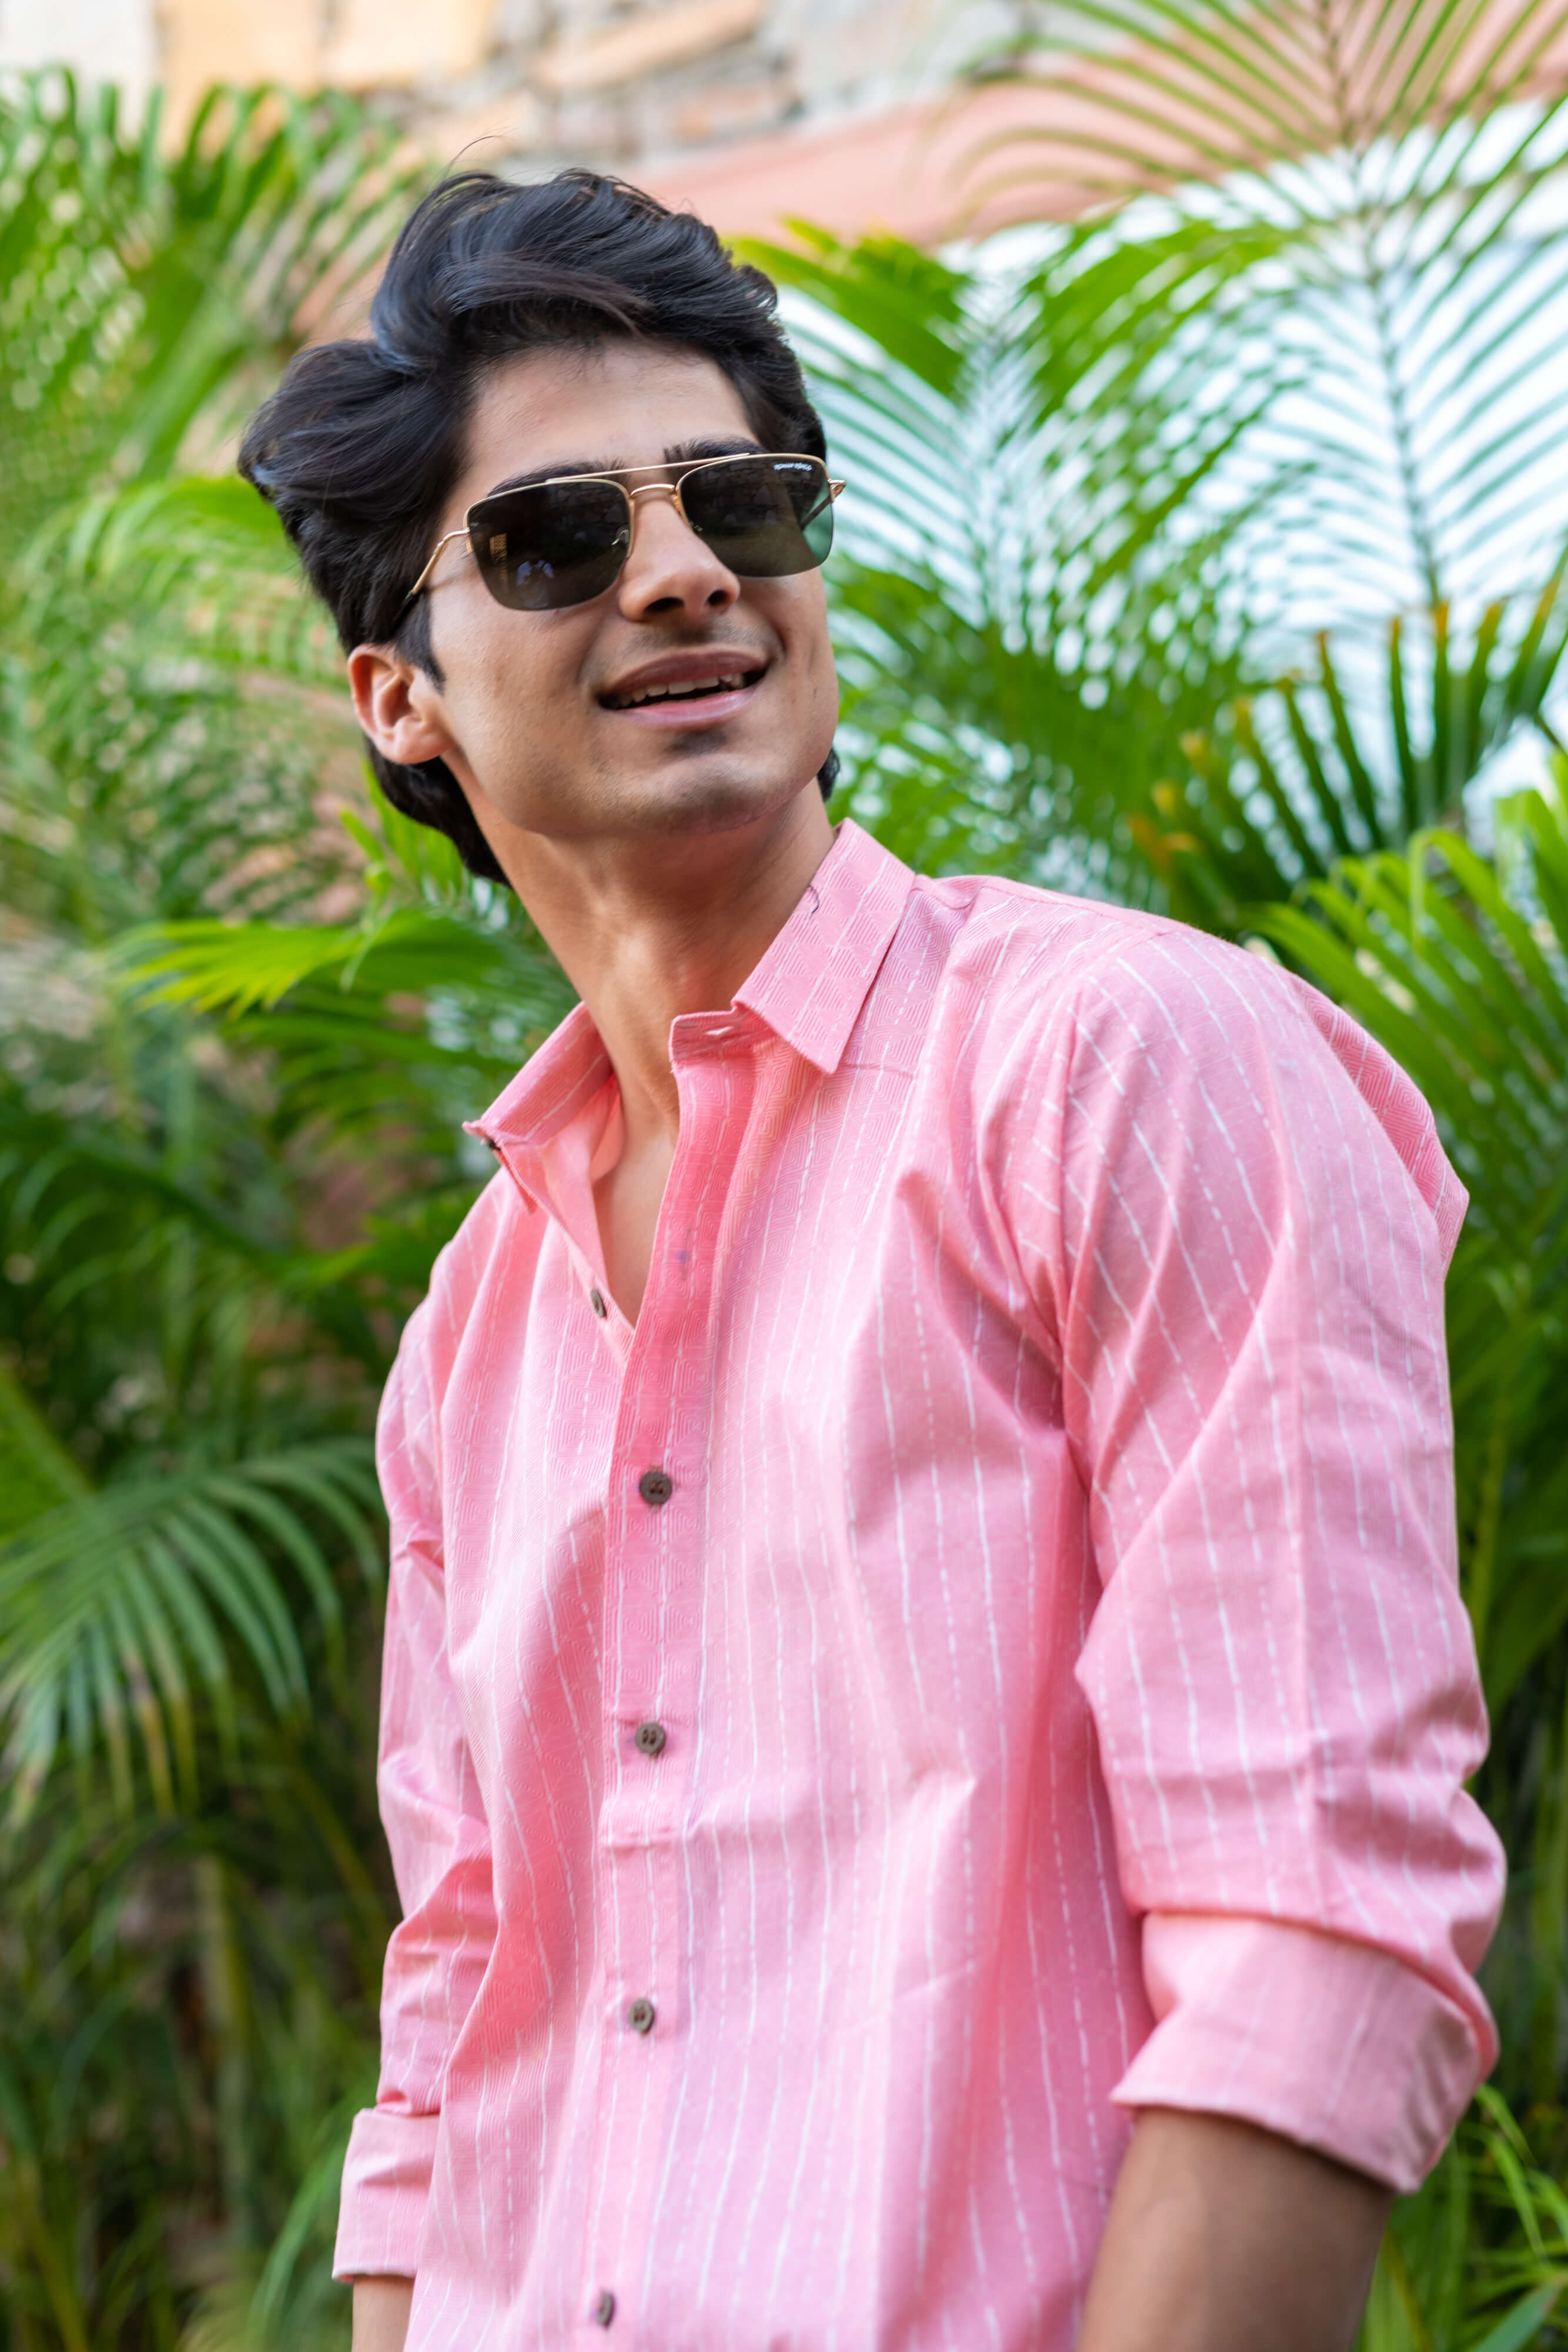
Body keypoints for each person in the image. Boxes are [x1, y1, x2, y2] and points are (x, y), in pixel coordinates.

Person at [239, 169, 1505, 2352]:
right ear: (399, 697)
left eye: (743, 499)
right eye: (555, 538)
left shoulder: (1121, 1064)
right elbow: (454, 2021)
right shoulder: (472, 1333)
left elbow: (1311, 1926)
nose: (681, 572)